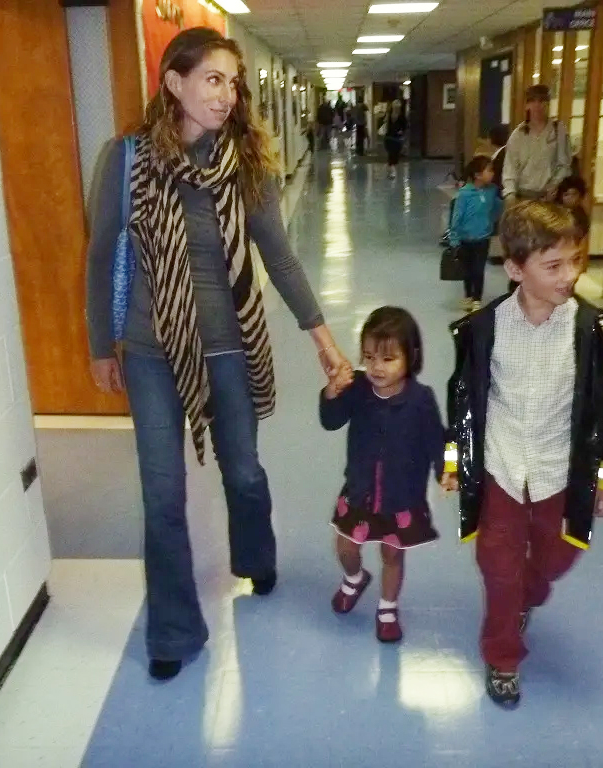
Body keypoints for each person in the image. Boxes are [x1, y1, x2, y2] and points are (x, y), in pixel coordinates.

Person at [85, 27, 352, 682]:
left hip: (230, 344)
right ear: (174, 83)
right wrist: (99, 344)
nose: (227, 94)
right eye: (213, 79)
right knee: (161, 493)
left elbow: (278, 257)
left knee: (244, 472)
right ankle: (173, 631)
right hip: (151, 349)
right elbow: (100, 254)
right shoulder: (126, 160)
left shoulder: (246, 166)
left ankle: (255, 557)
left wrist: (321, 336)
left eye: (233, 82)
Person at [445, 201, 603, 708]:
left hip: (560, 470)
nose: (569, 275)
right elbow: (463, 398)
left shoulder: (593, 333)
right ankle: (503, 655)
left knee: (558, 555)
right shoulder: (483, 329)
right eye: (553, 266)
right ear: (515, 269)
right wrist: (456, 461)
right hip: (502, 466)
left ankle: (527, 592)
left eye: (576, 261)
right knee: (498, 565)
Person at [321, 307, 452, 643]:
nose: (377, 367)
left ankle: (388, 607)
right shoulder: (358, 389)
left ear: (411, 357)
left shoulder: (421, 400)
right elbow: (330, 420)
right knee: (346, 546)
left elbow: (439, 440)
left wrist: (448, 469)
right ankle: (355, 579)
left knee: (392, 554)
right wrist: (332, 392)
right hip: (359, 491)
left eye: (388, 358)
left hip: (401, 497)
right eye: (369, 357)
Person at [502, 85, 572, 204]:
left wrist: (554, 184)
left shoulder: (558, 130)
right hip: (523, 196)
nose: (537, 105)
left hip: (549, 196)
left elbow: (564, 164)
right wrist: (510, 196)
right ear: (527, 105)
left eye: (542, 101)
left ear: (548, 103)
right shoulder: (519, 134)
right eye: (532, 101)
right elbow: (510, 169)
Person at [450, 155, 503, 311]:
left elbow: (497, 209)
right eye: (489, 170)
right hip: (465, 239)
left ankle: (476, 299)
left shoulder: (492, 191)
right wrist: (454, 238)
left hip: (483, 238)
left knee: (479, 269)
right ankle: (468, 296)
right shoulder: (464, 193)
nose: (492, 174)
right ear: (478, 174)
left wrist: (490, 223)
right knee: (467, 270)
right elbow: (457, 217)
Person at [382, 100, 408, 179]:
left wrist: (402, 132)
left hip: (397, 139)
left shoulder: (401, 116)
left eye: (398, 107)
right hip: (389, 138)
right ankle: (392, 172)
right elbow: (385, 124)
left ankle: (389, 168)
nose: (396, 109)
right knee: (391, 155)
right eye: (395, 107)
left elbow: (405, 126)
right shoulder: (389, 115)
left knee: (395, 156)